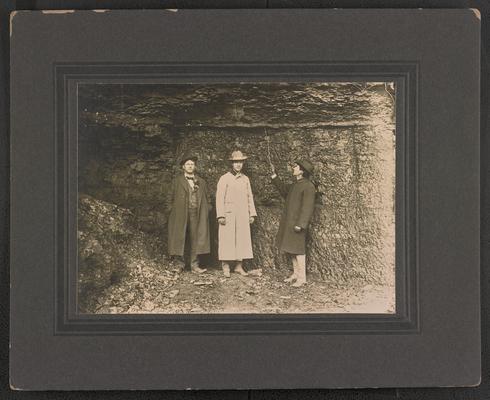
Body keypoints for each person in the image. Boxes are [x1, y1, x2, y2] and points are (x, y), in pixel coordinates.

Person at [270, 159, 316, 287]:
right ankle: (296, 274)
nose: (293, 168)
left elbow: (307, 208)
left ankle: (302, 278)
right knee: (292, 249)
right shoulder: (296, 184)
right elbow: (285, 192)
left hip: (297, 224)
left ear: (302, 171)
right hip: (290, 222)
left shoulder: (308, 186)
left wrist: (301, 224)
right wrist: (274, 176)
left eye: (296, 167)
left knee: (299, 250)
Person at [166, 154, 211, 274]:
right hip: (180, 214)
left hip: (197, 214)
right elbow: (169, 197)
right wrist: (171, 210)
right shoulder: (177, 181)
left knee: (196, 238)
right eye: (188, 164)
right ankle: (179, 265)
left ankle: (194, 265)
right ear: (183, 167)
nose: (190, 166)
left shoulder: (201, 182)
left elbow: (208, 198)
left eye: (192, 164)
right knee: (180, 237)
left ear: (195, 166)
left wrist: (207, 210)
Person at [216, 150, 257, 278]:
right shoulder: (225, 178)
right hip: (228, 214)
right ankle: (226, 265)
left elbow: (249, 196)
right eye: (236, 162)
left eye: (240, 162)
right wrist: (221, 215)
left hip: (242, 214)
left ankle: (239, 266)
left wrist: (251, 214)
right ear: (232, 164)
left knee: (242, 238)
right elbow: (219, 197)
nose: (238, 165)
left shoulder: (245, 179)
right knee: (227, 239)